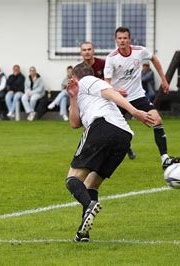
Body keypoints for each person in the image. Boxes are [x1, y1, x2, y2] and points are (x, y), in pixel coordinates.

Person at [65, 63, 153, 242]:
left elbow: (109, 93)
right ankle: (83, 233)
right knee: (91, 186)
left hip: (102, 127)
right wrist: (73, 97)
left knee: (72, 179)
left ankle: (89, 204)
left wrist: (135, 112)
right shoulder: (80, 93)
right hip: (123, 138)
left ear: (75, 77)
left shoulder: (88, 81)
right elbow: (74, 123)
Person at [104, 27, 180, 169]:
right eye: (119, 38)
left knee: (157, 119)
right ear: (116, 40)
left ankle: (165, 158)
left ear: (129, 39)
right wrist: (116, 90)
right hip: (119, 99)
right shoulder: (111, 58)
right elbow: (106, 83)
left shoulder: (139, 51)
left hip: (138, 96)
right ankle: (113, 155)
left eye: (125, 38)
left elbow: (154, 59)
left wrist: (163, 80)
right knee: (113, 131)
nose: (122, 41)